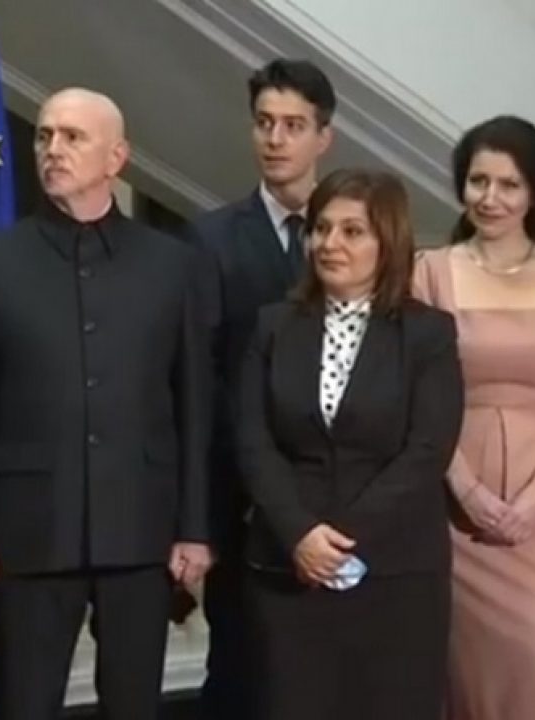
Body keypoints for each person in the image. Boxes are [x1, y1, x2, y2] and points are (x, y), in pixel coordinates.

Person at [0, 87, 213, 719]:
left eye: (72, 137)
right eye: (44, 135)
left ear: (117, 157)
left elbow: (195, 407)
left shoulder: (172, 265)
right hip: (28, 530)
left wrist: (195, 526)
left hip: (141, 530)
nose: (52, 149)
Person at [237, 168, 463, 720]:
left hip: (395, 571)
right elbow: (252, 438)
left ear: (389, 242)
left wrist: (342, 539)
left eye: (352, 231)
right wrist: (300, 533)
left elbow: (428, 449)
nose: (329, 243)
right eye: (321, 228)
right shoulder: (273, 326)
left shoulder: (429, 334)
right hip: (291, 566)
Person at [412, 115, 535, 720]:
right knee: (468, 684)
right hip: (454, 512)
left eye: (508, 184)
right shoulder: (428, 272)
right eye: (479, 181)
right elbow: (418, 398)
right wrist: (467, 491)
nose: (490, 198)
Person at [184, 58, 336, 720]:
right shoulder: (209, 239)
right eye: (264, 123)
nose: (275, 139)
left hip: (338, 493)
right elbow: (201, 374)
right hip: (242, 500)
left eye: (293, 125)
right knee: (242, 673)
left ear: (324, 137)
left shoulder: (357, 234)